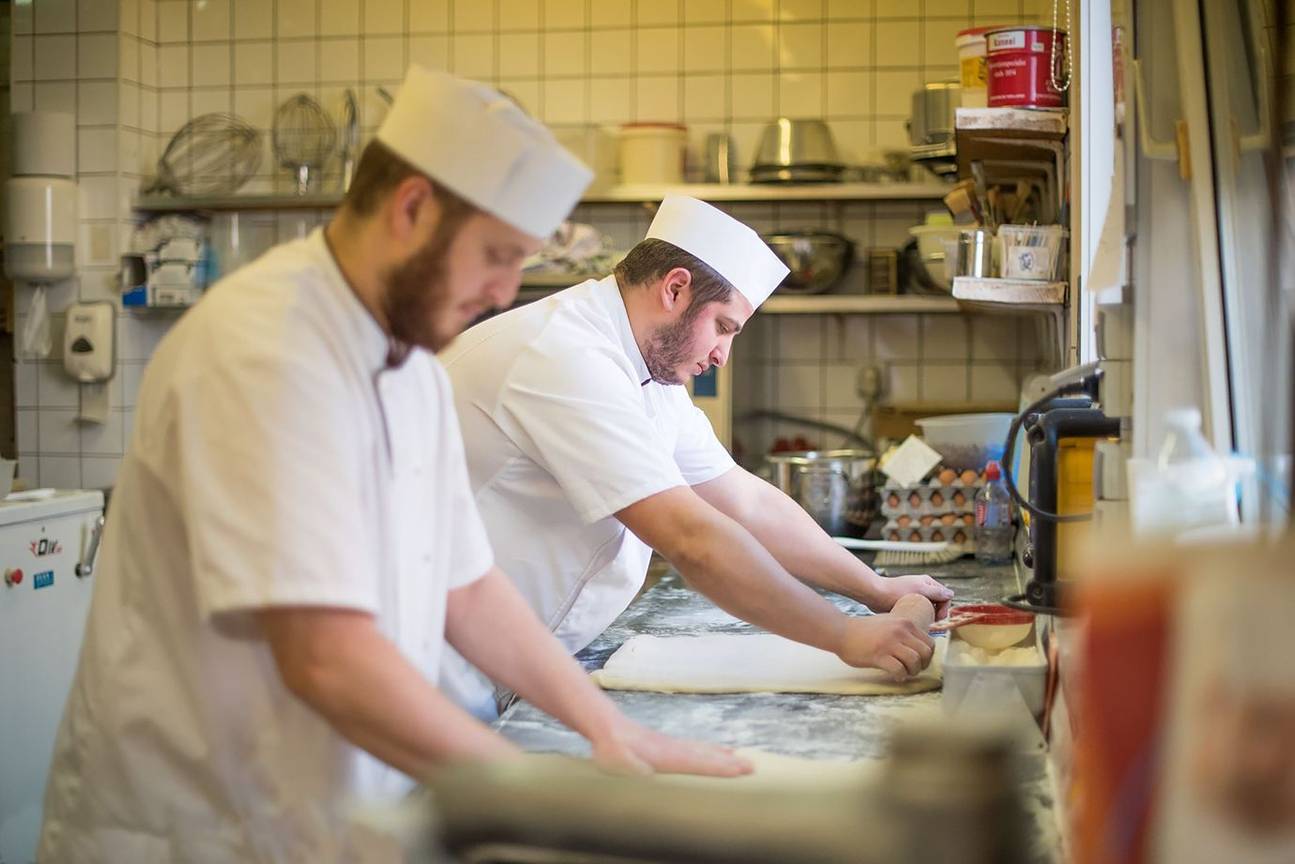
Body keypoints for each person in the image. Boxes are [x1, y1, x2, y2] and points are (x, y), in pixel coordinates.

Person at [38, 68, 749, 862]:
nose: (505, 290)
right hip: (198, 824)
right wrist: (532, 797)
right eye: (496, 255)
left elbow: (467, 586)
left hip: (337, 808)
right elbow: (323, 656)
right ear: (411, 208)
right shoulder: (264, 350)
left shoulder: (406, 362)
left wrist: (604, 726)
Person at [440, 195, 954, 720]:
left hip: (509, 661)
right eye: (724, 327)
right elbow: (691, 537)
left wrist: (875, 590)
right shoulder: (563, 356)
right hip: (435, 671)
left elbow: (743, 501)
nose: (721, 356)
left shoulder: (644, 369)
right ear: (675, 288)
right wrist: (843, 635)